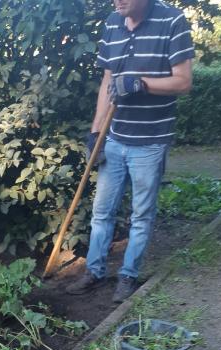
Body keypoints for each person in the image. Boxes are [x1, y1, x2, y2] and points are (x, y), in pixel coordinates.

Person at [66, 0, 194, 303]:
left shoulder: (172, 21)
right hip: (114, 136)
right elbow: (108, 80)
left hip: (150, 141)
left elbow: (184, 81)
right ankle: (94, 271)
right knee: (101, 212)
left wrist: (141, 83)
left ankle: (128, 276)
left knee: (141, 215)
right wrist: (96, 131)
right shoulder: (112, 22)